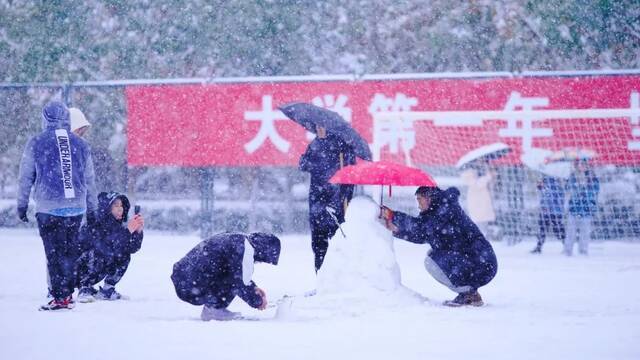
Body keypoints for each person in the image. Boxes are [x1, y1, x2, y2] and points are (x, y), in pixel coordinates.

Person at [17, 101, 97, 311]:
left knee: (53, 253)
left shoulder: (36, 142)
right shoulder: (81, 144)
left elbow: (26, 176)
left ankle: (60, 296)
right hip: (76, 207)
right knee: (70, 251)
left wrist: (22, 204)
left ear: (45, 119)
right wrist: (93, 208)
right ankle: (67, 294)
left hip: (48, 207)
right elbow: (90, 181)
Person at [380, 186, 497, 307]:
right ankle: (469, 294)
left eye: (420, 199)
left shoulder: (445, 209)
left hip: (481, 263)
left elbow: (421, 227)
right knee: (434, 255)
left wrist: (393, 215)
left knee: (432, 261)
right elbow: (422, 235)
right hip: (474, 261)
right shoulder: (435, 212)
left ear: (429, 198)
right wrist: (396, 230)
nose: (418, 204)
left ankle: (468, 294)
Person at [171, 232, 281, 321]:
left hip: (185, 279)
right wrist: (257, 301)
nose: (259, 262)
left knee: (229, 274)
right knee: (232, 279)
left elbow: (239, 274)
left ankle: (213, 309)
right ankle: (214, 309)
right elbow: (238, 280)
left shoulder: (238, 240)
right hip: (190, 284)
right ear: (262, 251)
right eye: (262, 260)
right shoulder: (244, 247)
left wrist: (253, 288)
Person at [299, 125, 356, 272]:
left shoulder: (340, 145)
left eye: (323, 126)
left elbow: (350, 171)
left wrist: (343, 195)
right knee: (318, 244)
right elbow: (305, 165)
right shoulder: (314, 144)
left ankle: (340, 277)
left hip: (336, 200)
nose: (320, 130)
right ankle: (321, 278)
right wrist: (308, 163)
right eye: (317, 127)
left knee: (339, 243)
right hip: (317, 201)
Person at [75, 191, 144, 302]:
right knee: (100, 252)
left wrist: (138, 232)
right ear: (107, 208)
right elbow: (106, 245)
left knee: (124, 254)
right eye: (116, 205)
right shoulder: (95, 222)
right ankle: (85, 288)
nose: (120, 208)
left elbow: (132, 248)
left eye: (121, 206)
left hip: (97, 266)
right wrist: (128, 231)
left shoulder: (118, 228)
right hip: (77, 271)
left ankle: (107, 289)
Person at [564, 159, 600, 256]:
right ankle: (568, 250)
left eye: (584, 165)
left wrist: (586, 190)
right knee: (571, 231)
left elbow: (595, 191)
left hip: (586, 209)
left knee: (585, 232)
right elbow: (568, 188)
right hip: (574, 209)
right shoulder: (572, 176)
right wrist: (576, 188)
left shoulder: (593, 178)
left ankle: (583, 250)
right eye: (580, 165)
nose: (582, 167)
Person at [531, 175, 566, 254]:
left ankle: (566, 245)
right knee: (542, 230)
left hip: (554, 212)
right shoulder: (547, 185)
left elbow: (554, 198)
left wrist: (547, 207)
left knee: (557, 230)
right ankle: (539, 246)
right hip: (546, 212)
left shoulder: (554, 185)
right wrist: (540, 188)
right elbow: (543, 197)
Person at [459, 166, 496, 240]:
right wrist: (488, 176)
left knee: (482, 218)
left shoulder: (481, 169)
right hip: (478, 200)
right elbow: (477, 184)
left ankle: (482, 235)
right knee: (480, 218)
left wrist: (490, 176)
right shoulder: (470, 173)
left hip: (481, 199)